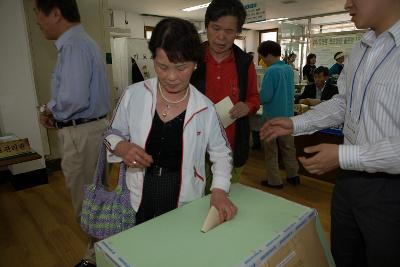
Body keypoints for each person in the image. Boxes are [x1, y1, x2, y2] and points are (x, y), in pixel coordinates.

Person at [260, 0, 400, 265]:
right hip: (348, 182)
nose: (347, 4)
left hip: (391, 189)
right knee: (344, 256)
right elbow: (344, 103)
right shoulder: (361, 48)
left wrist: (344, 156)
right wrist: (295, 124)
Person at [105, 18, 237, 228]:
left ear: (195, 63)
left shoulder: (205, 108)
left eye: (181, 67)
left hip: (183, 190)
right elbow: (111, 133)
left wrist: (220, 190)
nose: (172, 77)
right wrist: (122, 147)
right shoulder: (134, 94)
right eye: (162, 67)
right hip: (140, 188)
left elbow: (221, 153)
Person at [34, 0, 110, 266]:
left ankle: (99, 257)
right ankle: (102, 253)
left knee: (88, 204)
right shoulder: (78, 42)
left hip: (83, 134)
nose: (37, 20)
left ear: (55, 13)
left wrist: (49, 108)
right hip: (86, 131)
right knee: (94, 199)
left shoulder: (74, 45)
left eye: (38, 13)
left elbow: (74, 99)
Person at [190, 0, 260, 190]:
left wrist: (247, 106)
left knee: (224, 202)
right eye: (215, 28)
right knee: (193, 204)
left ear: (237, 32)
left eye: (229, 31)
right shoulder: (191, 58)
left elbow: (254, 98)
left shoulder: (244, 63)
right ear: (207, 27)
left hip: (231, 146)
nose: (221, 37)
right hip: (195, 147)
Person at [257, 41, 299, 189]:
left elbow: (265, 97)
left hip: (271, 118)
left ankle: (274, 181)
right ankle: (293, 176)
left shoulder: (271, 71)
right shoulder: (288, 69)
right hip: (288, 116)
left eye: (262, 57)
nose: (262, 60)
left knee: (271, 151)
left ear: (267, 55)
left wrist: (256, 96)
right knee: (288, 148)